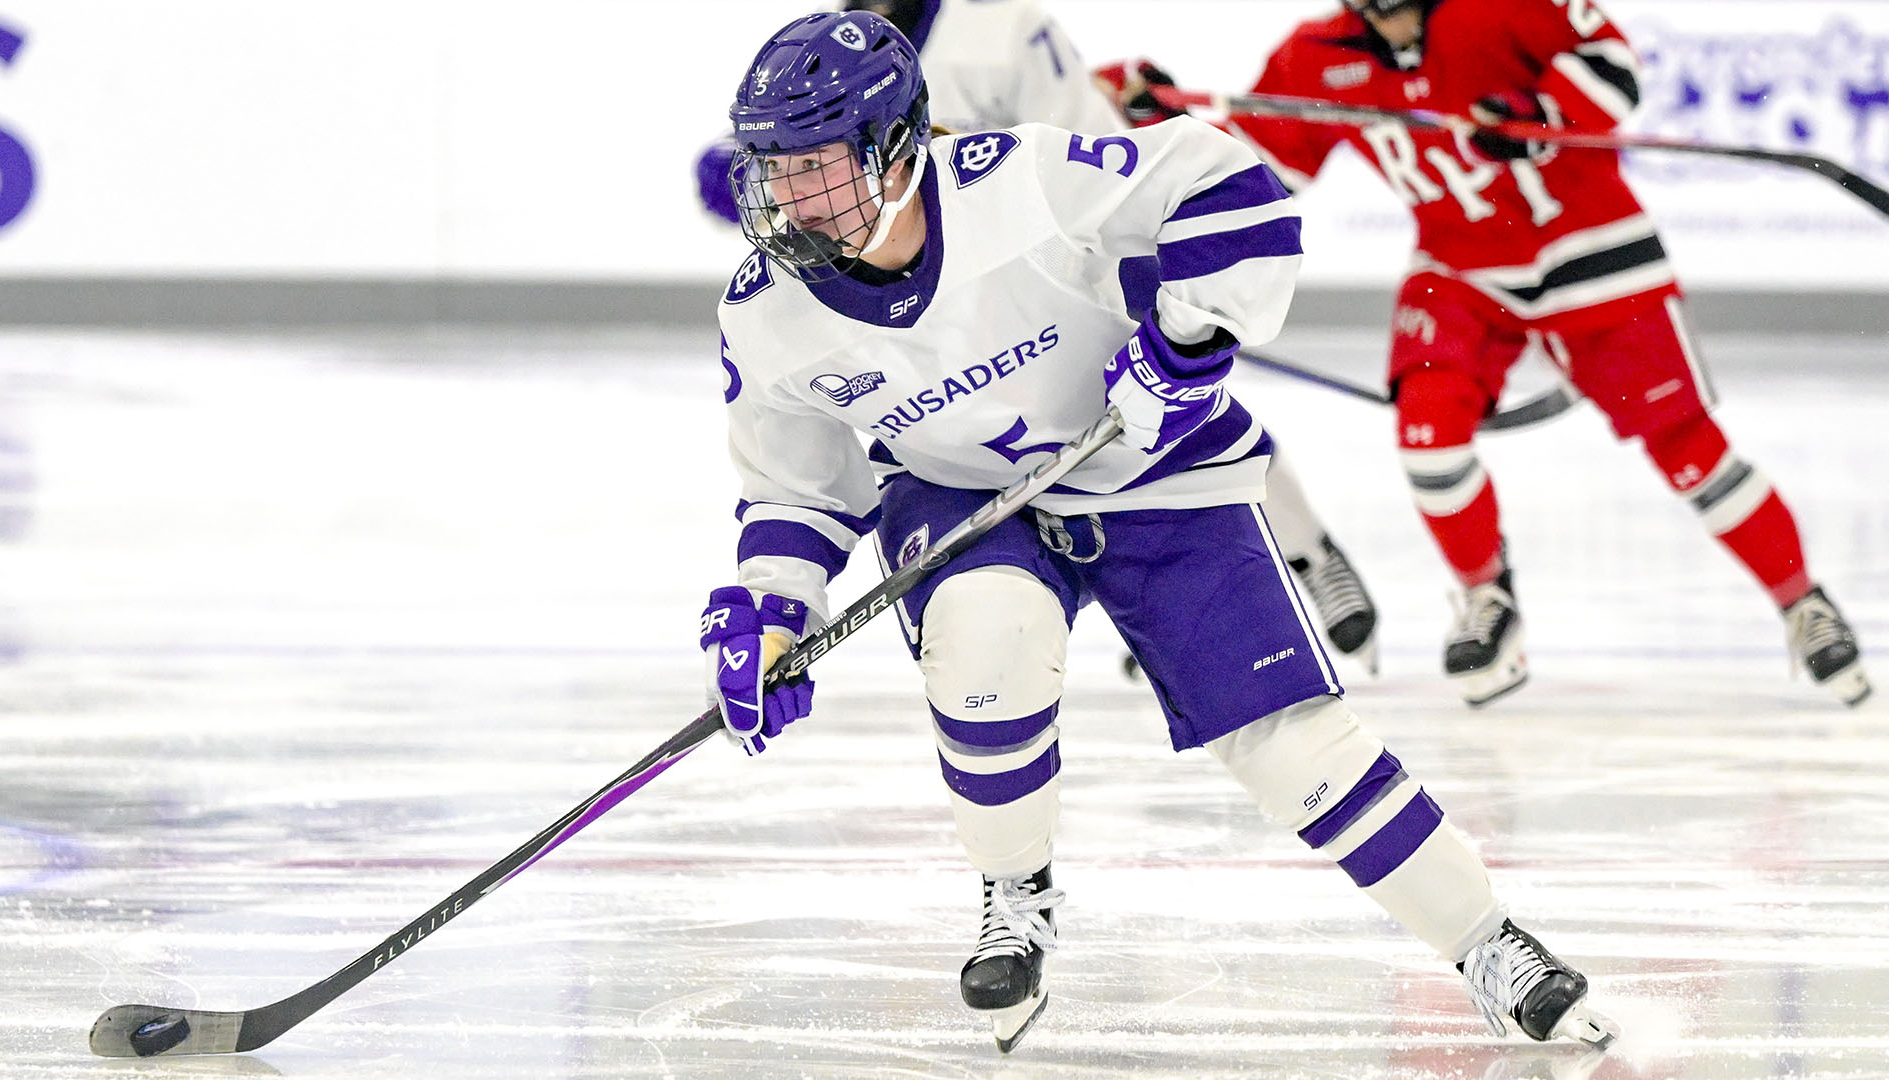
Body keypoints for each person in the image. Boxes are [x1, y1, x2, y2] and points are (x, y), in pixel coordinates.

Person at [700, 8, 1615, 1055]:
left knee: (1289, 742)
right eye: (775, 172)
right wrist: (769, 609)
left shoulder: (1020, 180)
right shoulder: (765, 309)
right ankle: (1014, 886)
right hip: (958, 494)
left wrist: (1181, 344)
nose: (792, 204)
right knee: (983, 652)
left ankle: (1487, 940)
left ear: (900, 145)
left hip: (1149, 469)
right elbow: (795, 488)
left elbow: (1237, 191)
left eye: (820, 168)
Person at [1106, 0, 1870, 707]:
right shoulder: (1317, 54)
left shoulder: (1496, 7)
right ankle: (1487, 599)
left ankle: (1804, 602)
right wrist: (1164, 122)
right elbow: (1260, 165)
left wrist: (1542, 115)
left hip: (1595, 251)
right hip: (1462, 270)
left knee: (1687, 450)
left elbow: (1609, 57)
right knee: (1428, 435)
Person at [695, 0, 1383, 673]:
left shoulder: (1001, 28)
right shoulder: (819, 56)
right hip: (967, 319)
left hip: (1059, 277)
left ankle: (1308, 551)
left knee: (1174, 415)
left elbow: (1084, 154)